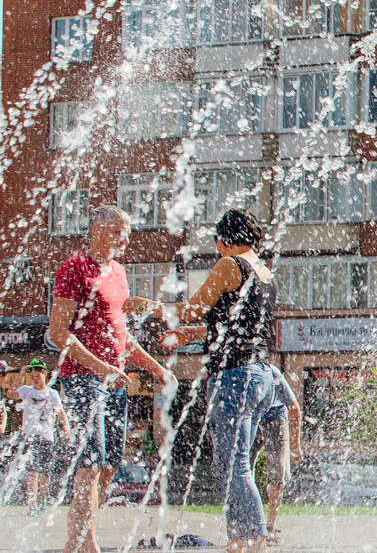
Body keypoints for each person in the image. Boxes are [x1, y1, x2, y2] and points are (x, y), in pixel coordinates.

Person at [49, 205, 173, 553]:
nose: (128, 238)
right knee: (90, 465)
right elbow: (58, 332)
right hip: (83, 379)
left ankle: (81, 539)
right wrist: (101, 367)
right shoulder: (74, 269)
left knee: (109, 467)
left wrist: (156, 368)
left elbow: (122, 337)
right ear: (99, 230)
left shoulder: (118, 271)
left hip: (114, 382)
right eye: (121, 230)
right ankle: (83, 545)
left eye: (128, 231)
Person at [155, 209, 277, 553]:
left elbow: (194, 309)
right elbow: (226, 328)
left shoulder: (229, 265)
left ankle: (253, 540)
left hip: (234, 376)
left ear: (222, 240)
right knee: (237, 462)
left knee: (233, 463)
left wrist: (150, 307)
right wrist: (190, 335)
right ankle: (240, 538)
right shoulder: (265, 272)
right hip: (260, 375)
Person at [15, 359, 71, 514]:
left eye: (38, 375)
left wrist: (66, 427)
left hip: (46, 436)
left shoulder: (52, 393)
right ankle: (31, 504)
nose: (35, 379)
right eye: (32, 376)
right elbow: (11, 394)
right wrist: (21, 375)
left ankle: (42, 500)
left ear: (45, 374)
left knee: (45, 472)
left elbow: (60, 412)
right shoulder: (26, 390)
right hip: (29, 436)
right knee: (32, 470)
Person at [256, 364, 302, 541]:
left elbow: (294, 408)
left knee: (278, 474)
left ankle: (270, 525)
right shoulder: (242, 370)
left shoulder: (272, 372)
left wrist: (295, 447)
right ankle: (252, 522)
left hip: (276, 416)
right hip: (253, 415)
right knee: (243, 469)